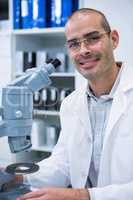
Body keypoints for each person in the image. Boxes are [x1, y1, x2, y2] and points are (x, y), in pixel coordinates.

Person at [10, 8, 133, 200]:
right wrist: (17, 177)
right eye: (74, 44)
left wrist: (82, 196)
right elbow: (63, 164)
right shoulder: (70, 104)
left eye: (93, 38)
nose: (84, 50)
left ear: (114, 39)